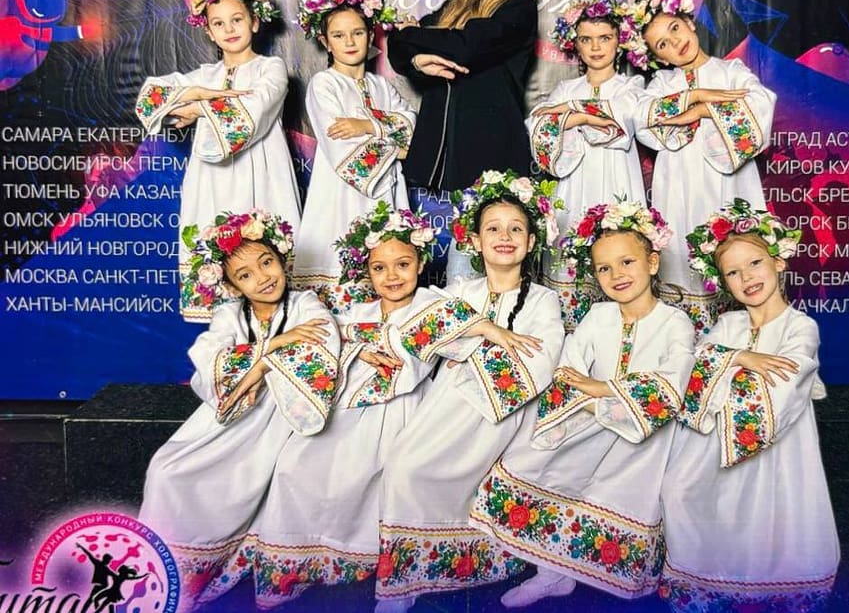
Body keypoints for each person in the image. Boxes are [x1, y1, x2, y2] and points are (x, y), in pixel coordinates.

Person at [223, 203, 539, 609]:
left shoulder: (432, 303)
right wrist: (355, 350)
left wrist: (492, 330)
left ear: (420, 263)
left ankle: (375, 557)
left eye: (403, 264)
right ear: (366, 272)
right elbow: (325, 341)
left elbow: (458, 325)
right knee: (293, 466)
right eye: (379, 268)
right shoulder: (359, 312)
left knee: (379, 468)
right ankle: (296, 566)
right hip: (349, 409)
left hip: (403, 410)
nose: (392, 276)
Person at [471, 202, 693, 606]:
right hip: (586, 422)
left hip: (642, 440)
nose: (617, 275)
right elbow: (568, 370)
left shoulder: (674, 322)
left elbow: (668, 389)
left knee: (617, 496)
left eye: (627, 262)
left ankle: (580, 575)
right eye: (604, 268)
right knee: (530, 464)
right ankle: (551, 573)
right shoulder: (598, 315)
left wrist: (599, 389)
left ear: (653, 262)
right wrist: (594, 397)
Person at [375, 171, 565, 611]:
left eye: (515, 229)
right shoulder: (460, 291)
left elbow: (540, 358)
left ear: (531, 242)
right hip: (448, 408)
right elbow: (417, 331)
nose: (504, 237)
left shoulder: (543, 300)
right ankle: (404, 582)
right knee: (403, 467)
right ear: (475, 242)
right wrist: (485, 329)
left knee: (517, 474)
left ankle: (521, 564)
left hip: (503, 414)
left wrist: (463, 339)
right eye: (493, 228)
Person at [138, 210, 340, 608]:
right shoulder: (229, 314)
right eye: (245, 274)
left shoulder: (305, 304)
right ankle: (168, 574)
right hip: (231, 416)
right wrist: (272, 349)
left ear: (282, 260)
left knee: (263, 475)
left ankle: (227, 562)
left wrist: (257, 364)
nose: (262, 277)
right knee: (166, 469)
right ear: (231, 285)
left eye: (267, 262)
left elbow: (321, 344)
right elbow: (209, 358)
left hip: (282, 414)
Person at [661, 199, 839, 612]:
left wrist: (721, 366)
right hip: (711, 450)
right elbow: (693, 369)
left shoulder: (801, 327)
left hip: (780, 455)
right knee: (680, 491)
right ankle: (709, 586)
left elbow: (785, 383)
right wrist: (740, 357)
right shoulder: (729, 325)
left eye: (755, 263)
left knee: (771, 521)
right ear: (723, 283)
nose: (747, 278)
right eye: (733, 273)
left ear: (778, 261)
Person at [134, 0, 301, 322]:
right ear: (209, 32)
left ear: (254, 22)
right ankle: (229, 343)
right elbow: (152, 99)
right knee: (218, 267)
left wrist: (197, 108)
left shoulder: (270, 68)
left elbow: (255, 108)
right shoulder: (205, 75)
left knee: (266, 262)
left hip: (261, 176)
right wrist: (197, 94)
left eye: (237, 19)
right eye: (218, 23)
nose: (229, 29)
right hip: (211, 180)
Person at [626, 0, 776, 334]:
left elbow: (758, 108)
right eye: (662, 44)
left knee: (736, 253)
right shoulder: (661, 83)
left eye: (675, 28)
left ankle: (742, 343)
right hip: (678, 186)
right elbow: (643, 119)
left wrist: (698, 111)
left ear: (689, 22)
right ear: (658, 57)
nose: (675, 42)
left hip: (730, 185)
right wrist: (699, 96)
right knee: (681, 252)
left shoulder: (732, 71)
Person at [387, 0, 538, 191]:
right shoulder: (453, 6)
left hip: (488, 152)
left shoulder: (520, 8)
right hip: (436, 156)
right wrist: (417, 61)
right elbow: (396, 46)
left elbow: (466, 47)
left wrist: (413, 34)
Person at [527, 0, 649, 329]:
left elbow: (622, 119)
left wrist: (569, 115)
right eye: (586, 39)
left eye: (604, 38)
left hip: (618, 184)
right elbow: (538, 126)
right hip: (573, 187)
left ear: (619, 41)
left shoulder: (632, 87)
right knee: (569, 259)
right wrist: (582, 117)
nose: (596, 47)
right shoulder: (565, 88)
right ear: (575, 44)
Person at [291, 0, 414, 312]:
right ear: (324, 41)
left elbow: (412, 124)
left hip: (386, 194)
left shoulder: (381, 85)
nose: (349, 42)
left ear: (371, 35)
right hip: (341, 194)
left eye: (358, 33)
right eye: (339, 35)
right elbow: (344, 148)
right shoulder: (324, 84)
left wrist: (367, 126)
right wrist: (395, 143)